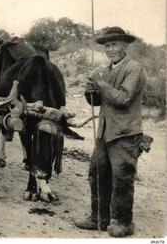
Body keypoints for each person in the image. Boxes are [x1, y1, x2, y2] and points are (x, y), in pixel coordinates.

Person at [74, 27, 147, 237]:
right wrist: (90, 93)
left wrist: (99, 83)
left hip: (125, 134)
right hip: (105, 133)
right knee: (97, 175)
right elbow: (99, 101)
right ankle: (99, 217)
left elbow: (123, 99)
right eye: (107, 46)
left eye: (114, 44)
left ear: (125, 45)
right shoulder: (106, 71)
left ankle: (124, 222)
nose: (110, 49)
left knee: (122, 179)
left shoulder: (135, 69)